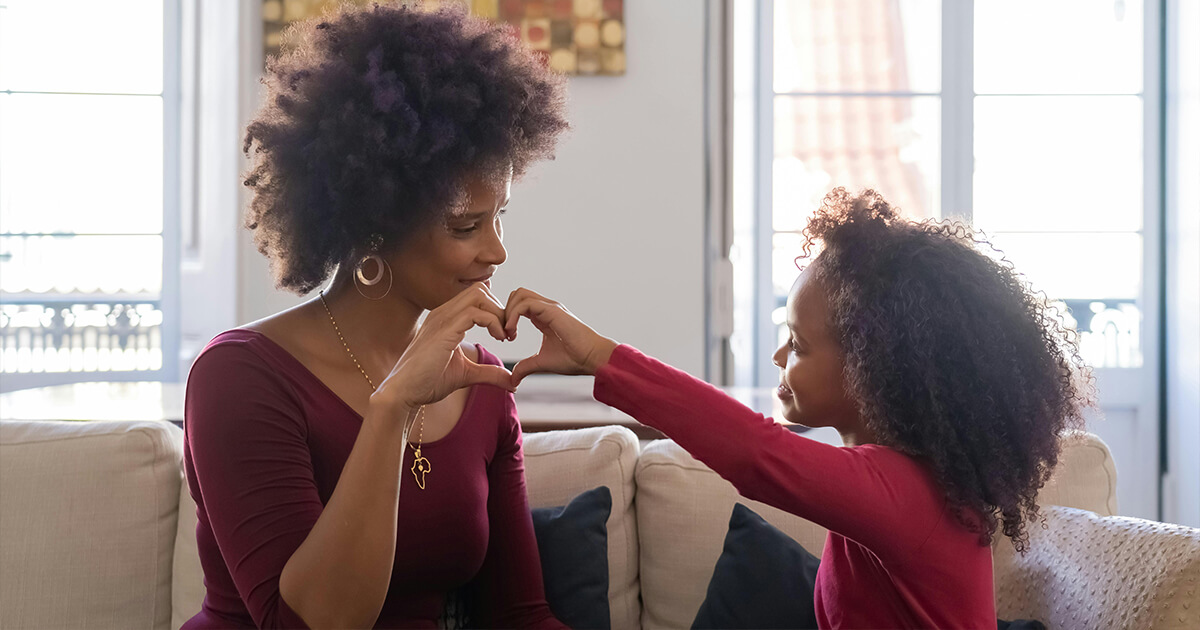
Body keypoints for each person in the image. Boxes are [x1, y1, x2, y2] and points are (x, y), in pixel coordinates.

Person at [503, 188, 1094, 629]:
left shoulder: (905, 493)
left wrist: (600, 357)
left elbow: (758, 454)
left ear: (872, 366)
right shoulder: (896, 477)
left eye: (800, 344)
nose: (779, 353)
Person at [181, 3, 569, 628]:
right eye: (466, 225)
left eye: (499, 218)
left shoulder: (483, 385)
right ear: (374, 223)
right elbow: (311, 622)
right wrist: (393, 407)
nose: (496, 251)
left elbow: (520, 614)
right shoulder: (239, 378)